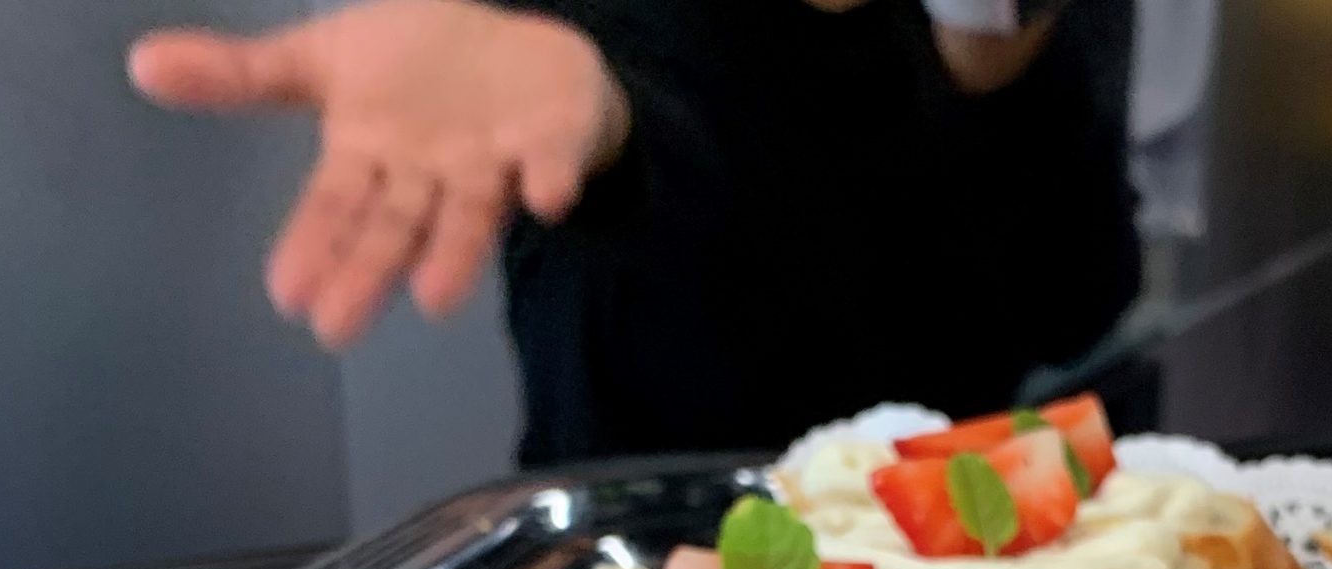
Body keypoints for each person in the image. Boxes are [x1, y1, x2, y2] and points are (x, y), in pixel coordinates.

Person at [131, 0, 1141, 464]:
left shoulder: (1008, 20)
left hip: (938, 553)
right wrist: (603, 124)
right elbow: (663, 151)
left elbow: (1077, 302)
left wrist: (998, 63)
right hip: (639, 563)